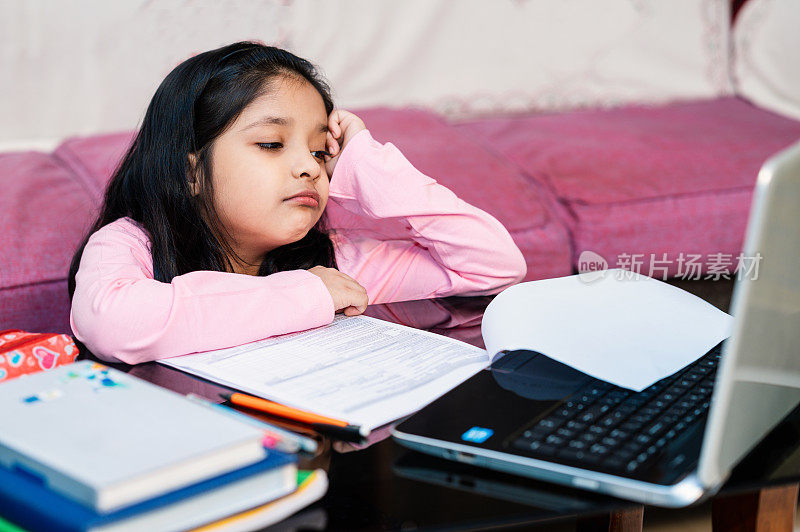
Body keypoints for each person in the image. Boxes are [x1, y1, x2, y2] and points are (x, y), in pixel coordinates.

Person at [67, 41, 527, 365]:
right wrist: (308, 295)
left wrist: (367, 163)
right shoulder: (131, 243)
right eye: (270, 143)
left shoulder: (336, 261)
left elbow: (493, 264)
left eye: (320, 152)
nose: (309, 167)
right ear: (191, 172)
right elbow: (114, 324)